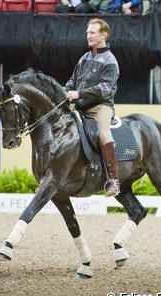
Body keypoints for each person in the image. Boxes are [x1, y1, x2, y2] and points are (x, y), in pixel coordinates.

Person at [65, 18, 120, 197]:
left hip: (100, 107)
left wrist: (78, 94)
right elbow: (73, 80)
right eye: (88, 33)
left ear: (103, 35)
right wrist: (65, 91)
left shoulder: (110, 60)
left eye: (93, 33)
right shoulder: (85, 57)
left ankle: (113, 180)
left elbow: (104, 89)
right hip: (80, 107)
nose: (88, 36)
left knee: (104, 135)